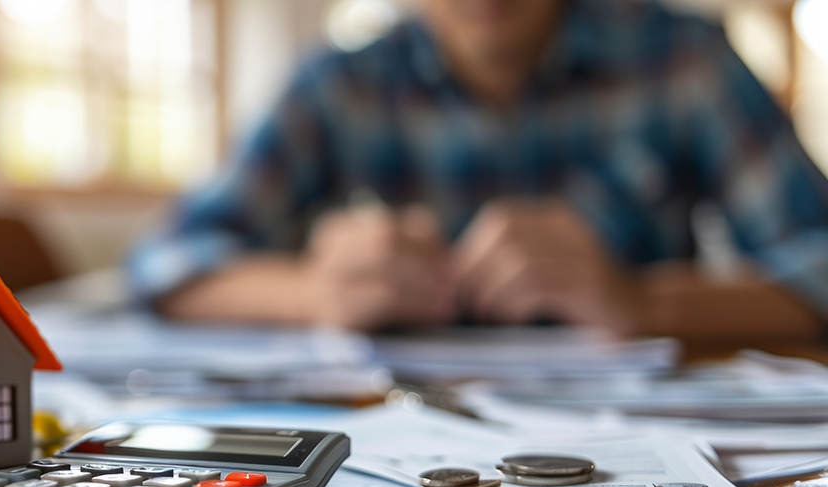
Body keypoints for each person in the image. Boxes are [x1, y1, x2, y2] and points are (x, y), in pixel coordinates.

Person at [126, 0, 828, 339]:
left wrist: (645, 304)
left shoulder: (686, 60)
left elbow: (819, 258)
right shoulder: (337, 84)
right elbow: (169, 260)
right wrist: (312, 294)